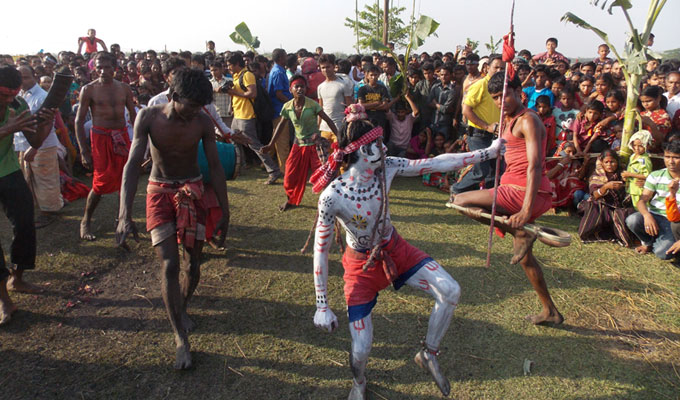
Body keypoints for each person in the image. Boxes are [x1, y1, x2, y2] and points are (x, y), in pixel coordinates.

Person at [309, 108, 503, 399]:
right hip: (360, 267)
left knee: (450, 290)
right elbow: (320, 250)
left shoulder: (388, 166)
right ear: (361, 150)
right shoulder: (332, 196)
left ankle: (428, 353)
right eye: (378, 144)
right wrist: (322, 304)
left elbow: (435, 162)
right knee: (361, 350)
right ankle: (359, 381)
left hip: (396, 249)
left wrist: (487, 153)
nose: (385, 148)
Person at [116, 68, 229, 370]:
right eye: (191, 106)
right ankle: (180, 336)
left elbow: (216, 167)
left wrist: (225, 211)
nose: (195, 112)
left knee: (193, 264)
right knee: (170, 263)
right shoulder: (149, 117)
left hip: (192, 190)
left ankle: (181, 307)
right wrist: (124, 213)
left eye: (200, 107)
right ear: (174, 96)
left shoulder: (202, 121)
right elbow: (131, 166)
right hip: (159, 192)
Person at [451, 72, 564, 326]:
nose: (501, 101)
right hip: (514, 188)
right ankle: (551, 311)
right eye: (495, 97)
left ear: (518, 92)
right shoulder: (506, 120)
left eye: (505, 94)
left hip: (525, 193)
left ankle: (520, 228)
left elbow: (535, 166)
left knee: (458, 200)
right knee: (525, 258)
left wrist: (524, 212)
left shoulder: (528, 121)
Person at [0, 65, 56, 324]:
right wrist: (6, 128)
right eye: (5, 95)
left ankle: (18, 279)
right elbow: (11, 129)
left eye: (14, 94)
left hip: (9, 170)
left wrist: (47, 122)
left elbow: (34, 141)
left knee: (24, 224)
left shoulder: (18, 103)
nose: (10, 100)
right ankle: (4, 302)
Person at [75, 52, 137, 241]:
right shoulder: (89, 89)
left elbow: (134, 116)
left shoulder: (124, 88)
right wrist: (84, 151)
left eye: (107, 67)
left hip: (121, 137)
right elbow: (78, 121)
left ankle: (123, 218)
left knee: (125, 180)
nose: (102, 71)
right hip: (100, 139)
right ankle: (86, 220)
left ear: (114, 68)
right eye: (99, 67)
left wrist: (141, 141)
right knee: (100, 183)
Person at [262, 75, 338, 211]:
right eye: (296, 86)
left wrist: (339, 137)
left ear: (305, 89)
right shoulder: (287, 107)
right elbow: (280, 125)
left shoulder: (312, 105)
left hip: (315, 146)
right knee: (290, 175)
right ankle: (291, 200)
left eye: (302, 86)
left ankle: (331, 203)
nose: (299, 89)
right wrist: (270, 144)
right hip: (298, 146)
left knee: (324, 175)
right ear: (291, 89)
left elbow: (328, 120)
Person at [14, 66, 64, 228]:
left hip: (42, 145)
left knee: (45, 179)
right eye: (20, 78)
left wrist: (35, 147)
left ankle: (49, 213)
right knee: (30, 179)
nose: (23, 81)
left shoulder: (42, 96)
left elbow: (48, 124)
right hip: (23, 144)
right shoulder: (20, 95)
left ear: (35, 76)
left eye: (26, 77)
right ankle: (44, 208)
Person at [450, 55, 504, 194]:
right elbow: (466, 110)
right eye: (496, 67)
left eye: (502, 68)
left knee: (496, 171)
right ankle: (456, 190)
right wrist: (487, 126)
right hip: (479, 135)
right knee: (481, 170)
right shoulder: (480, 85)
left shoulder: (504, 88)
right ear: (487, 68)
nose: (499, 70)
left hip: (496, 136)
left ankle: (488, 199)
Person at [225, 53, 282, 184]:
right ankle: (240, 165)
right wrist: (232, 105)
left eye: (229, 65)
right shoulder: (236, 76)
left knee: (254, 144)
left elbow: (252, 93)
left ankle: (273, 170)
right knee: (233, 140)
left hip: (246, 116)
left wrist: (234, 93)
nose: (228, 68)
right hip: (238, 115)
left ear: (237, 64)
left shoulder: (247, 75)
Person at [626, 140, 680, 260]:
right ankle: (648, 242)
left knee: (662, 253)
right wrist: (646, 215)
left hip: (675, 223)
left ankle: (662, 241)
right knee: (632, 220)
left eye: (676, 157)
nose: (670, 161)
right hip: (655, 215)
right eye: (667, 157)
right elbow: (642, 201)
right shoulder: (656, 175)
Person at [577, 149, 634, 247]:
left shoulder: (623, 174)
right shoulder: (597, 175)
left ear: (617, 162)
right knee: (593, 207)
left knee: (622, 213)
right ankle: (592, 234)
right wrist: (606, 187)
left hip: (619, 206)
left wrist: (625, 185)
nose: (609, 165)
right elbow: (594, 195)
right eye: (606, 162)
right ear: (602, 163)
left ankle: (620, 235)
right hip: (602, 205)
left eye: (612, 162)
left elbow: (630, 190)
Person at [267, 48, 293, 171]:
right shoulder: (278, 72)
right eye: (286, 56)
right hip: (280, 110)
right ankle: (285, 170)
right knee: (283, 142)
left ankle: (266, 162)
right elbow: (278, 94)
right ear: (281, 58)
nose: (287, 58)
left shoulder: (279, 70)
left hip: (280, 109)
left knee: (276, 138)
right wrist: (292, 104)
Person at [317, 54, 352, 144]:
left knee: (339, 156)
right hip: (324, 128)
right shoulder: (320, 87)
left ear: (334, 67)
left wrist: (349, 126)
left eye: (328, 67)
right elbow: (320, 108)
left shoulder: (343, 84)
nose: (325, 70)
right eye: (323, 68)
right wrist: (317, 127)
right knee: (325, 157)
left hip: (339, 127)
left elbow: (349, 107)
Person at [622, 130, 653, 208]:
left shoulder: (645, 160)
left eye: (640, 146)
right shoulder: (632, 156)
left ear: (647, 145)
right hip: (632, 188)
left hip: (640, 190)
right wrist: (626, 176)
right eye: (634, 145)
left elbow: (648, 176)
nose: (637, 148)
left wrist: (630, 174)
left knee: (643, 208)